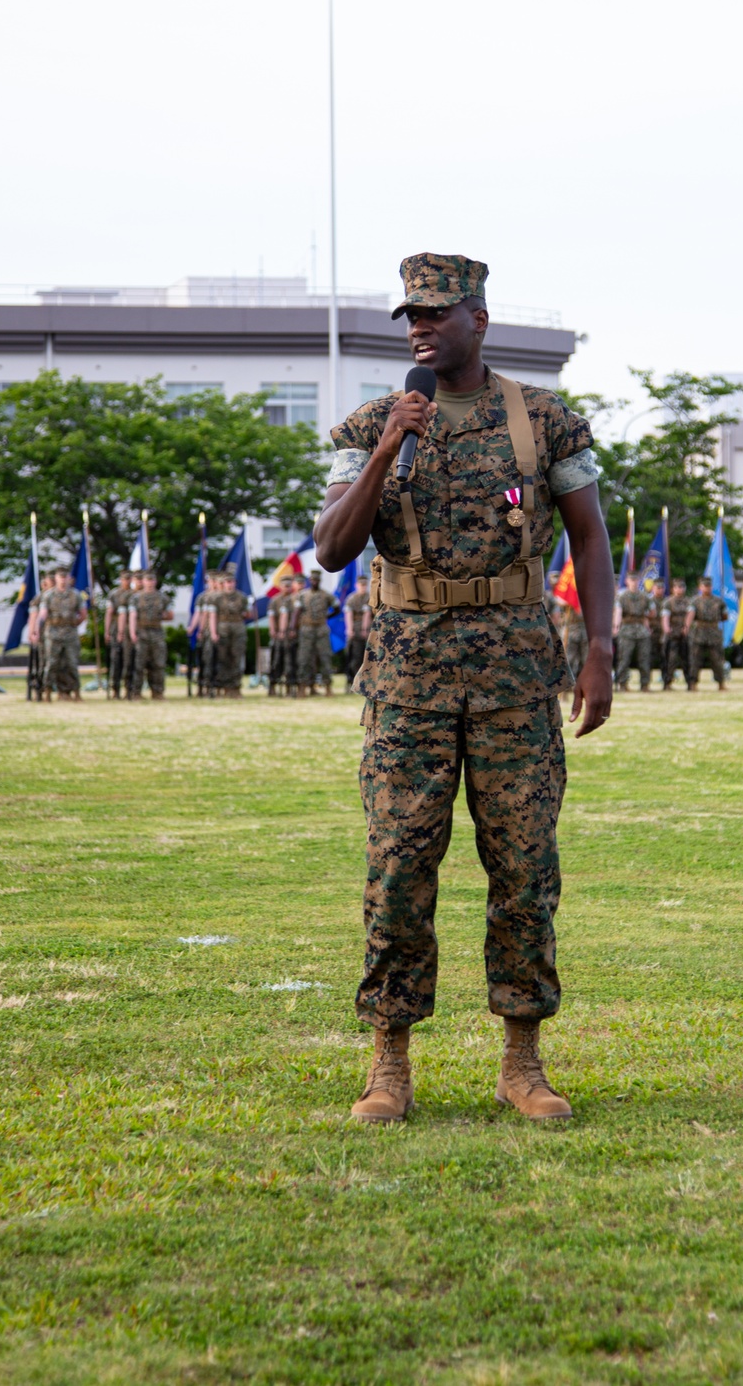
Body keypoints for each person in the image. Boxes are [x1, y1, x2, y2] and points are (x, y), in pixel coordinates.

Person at [314, 252, 613, 1125]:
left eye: (438, 312)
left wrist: (598, 649)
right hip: (407, 680)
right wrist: (386, 448)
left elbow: (591, 540)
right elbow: (333, 547)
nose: (420, 325)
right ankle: (389, 1060)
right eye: (411, 312)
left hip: (519, 676)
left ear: (478, 320)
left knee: (524, 866)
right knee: (400, 865)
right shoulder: (371, 422)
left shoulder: (545, 420)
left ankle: (522, 1061)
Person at [38, 565, 84, 700]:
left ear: (69, 578)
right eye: (60, 577)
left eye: (65, 577)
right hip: (53, 634)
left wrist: (73, 624)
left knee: (72, 664)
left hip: (70, 634)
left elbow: (82, 614)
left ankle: (76, 692)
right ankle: (47, 692)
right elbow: (43, 615)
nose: (63, 580)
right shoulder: (48, 595)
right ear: (56, 578)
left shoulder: (75, 595)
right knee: (51, 664)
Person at [128, 567, 173, 699]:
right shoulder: (136, 598)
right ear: (143, 581)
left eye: (152, 579)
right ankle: (136, 692)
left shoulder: (163, 597)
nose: (150, 582)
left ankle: (158, 692)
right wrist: (132, 632)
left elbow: (170, 615)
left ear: (155, 581)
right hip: (141, 632)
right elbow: (132, 616)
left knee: (158, 663)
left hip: (157, 632)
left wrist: (160, 616)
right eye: (147, 580)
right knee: (139, 664)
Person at [296, 570, 340, 696]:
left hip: (321, 629)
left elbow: (337, 608)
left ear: (319, 581)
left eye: (316, 580)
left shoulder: (326, 595)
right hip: (307, 629)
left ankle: (328, 687)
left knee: (325, 657)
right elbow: (297, 612)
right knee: (304, 658)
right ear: (309, 581)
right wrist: (294, 627)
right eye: (312, 580)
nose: (314, 582)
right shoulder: (303, 595)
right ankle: (303, 686)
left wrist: (327, 616)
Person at [210, 568, 253, 696]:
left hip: (238, 628)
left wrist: (248, 613)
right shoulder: (217, 598)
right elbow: (213, 616)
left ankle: (235, 687)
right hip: (222, 628)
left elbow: (248, 614)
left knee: (236, 658)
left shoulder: (242, 597)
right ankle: (222, 687)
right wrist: (213, 632)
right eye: (227, 582)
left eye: (231, 581)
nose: (229, 584)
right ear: (223, 584)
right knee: (223, 658)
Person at [686, 575, 728, 691]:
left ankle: (721, 683)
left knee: (717, 659)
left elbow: (725, 616)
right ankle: (693, 683)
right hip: (699, 632)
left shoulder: (719, 601)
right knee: (695, 659)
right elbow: (690, 616)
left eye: (709, 586)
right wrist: (687, 628)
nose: (707, 588)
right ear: (700, 587)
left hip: (714, 632)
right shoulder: (694, 601)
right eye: (704, 586)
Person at [614, 572, 652, 692]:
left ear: (639, 581)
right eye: (632, 580)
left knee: (644, 658)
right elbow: (618, 612)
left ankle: (645, 684)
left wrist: (646, 621)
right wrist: (616, 626)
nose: (634, 582)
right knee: (624, 658)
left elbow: (652, 612)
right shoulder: (622, 596)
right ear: (627, 581)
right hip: (626, 629)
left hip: (641, 630)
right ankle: (622, 683)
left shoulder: (645, 596)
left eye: (636, 580)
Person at [104, 568, 133, 699]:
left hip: (132, 629)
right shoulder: (114, 594)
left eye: (129, 578)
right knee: (116, 660)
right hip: (117, 630)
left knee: (130, 661)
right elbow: (109, 613)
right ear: (121, 580)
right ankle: (115, 690)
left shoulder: (135, 594)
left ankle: (130, 689)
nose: (127, 581)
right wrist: (107, 631)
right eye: (125, 579)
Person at [662, 577, 691, 690]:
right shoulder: (668, 602)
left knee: (687, 659)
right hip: (672, 634)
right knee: (671, 659)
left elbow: (690, 615)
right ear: (673, 589)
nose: (680, 589)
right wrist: (667, 629)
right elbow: (665, 617)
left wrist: (687, 628)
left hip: (685, 634)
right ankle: (668, 683)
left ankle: (690, 683)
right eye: (677, 587)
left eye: (682, 587)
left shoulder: (688, 602)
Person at [267, 574, 294, 695]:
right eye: (285, 586)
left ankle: (289, 686)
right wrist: (273, 630)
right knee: (276, 661)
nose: (287, 588)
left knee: (290, 661)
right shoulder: (275, 600)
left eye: (289, 586)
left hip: (292, 636)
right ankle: (273, 685)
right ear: (281, 586)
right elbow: (271, 617)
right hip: (278, 636)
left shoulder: (295, 599)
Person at [27, 573, 53, 701]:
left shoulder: (57, 596)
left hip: (56, 635)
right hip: (42, 636)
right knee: (41, 663)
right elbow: (33, 616)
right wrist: (32, 632)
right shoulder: (39, 598)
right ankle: (39, 689)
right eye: (45, 583)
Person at [344, 573, 371, 687]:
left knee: (368, 657)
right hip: (355, 630)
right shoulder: (351, 598)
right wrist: (349, 630)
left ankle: (367, 682)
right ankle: (353, 681)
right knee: (354, 657)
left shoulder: (370, 597)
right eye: (361, 585)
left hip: (369, 630)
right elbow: (348, 614)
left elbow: (368, 614)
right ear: (357, 585)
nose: (363, 587)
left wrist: (365, 629)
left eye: (365, 585)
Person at [123, 570, 143, 699]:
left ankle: (138, 691)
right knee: (129, 661)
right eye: (136, 579)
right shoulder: (128, 596)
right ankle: (128, 690)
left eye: (141, 579)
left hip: (145, 631)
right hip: (129, 632)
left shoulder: (147, 596)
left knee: (141, 663)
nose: (139, 582)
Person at [559, 601, 588, 686]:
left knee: (585, 659)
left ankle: (582, 683)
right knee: (569, 658)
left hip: (584, 629)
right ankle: (567, 684)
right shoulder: (569, 591)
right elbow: (558, 600)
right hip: (570, 628)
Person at [648, 578, 666, 680]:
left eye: (662, 588)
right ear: (653, 588)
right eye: (658, 588)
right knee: (650, 656)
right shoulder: (648, 601)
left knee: (665, 656)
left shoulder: (667, 601)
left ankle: (665, 680)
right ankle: (647, 681)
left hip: (664, 632)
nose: (660, 590)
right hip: (652, 632)